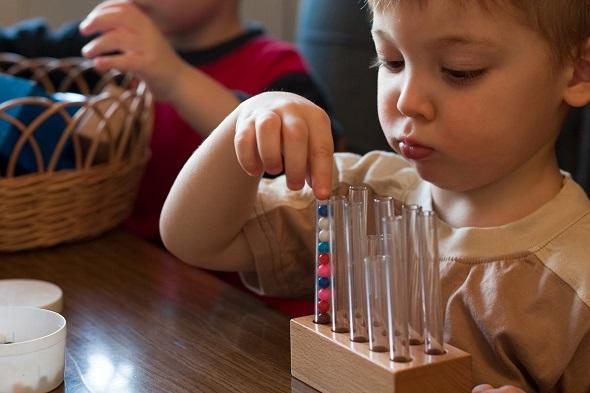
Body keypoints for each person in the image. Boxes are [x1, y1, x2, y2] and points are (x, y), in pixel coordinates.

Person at [160, 0, 590, 391]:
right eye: (392, 60)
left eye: (460, 70)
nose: (407, 100)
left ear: (577, 70)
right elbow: (194, 239)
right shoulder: (357, 199)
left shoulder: (577, 278)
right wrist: (248, 117)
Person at [0, 0, 341, 244]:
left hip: (230, 292)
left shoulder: (276, 68)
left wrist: (175, 77)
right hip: (123, 269)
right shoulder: (112, 43)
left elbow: (317, 167)